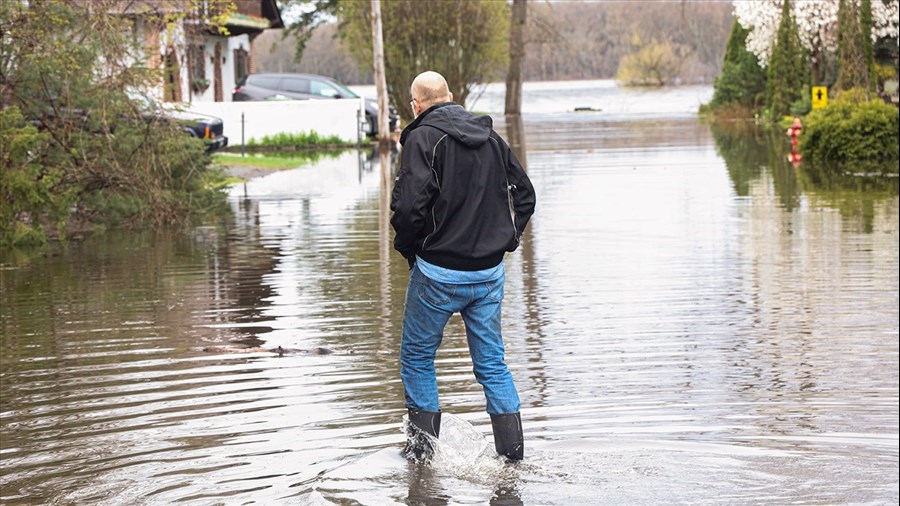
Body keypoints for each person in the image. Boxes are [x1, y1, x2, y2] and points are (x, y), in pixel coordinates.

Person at [390, 71, 536, 461]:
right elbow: (525, 196)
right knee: (492, 363)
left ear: (415, 105)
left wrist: (411, 250)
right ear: (452, 96)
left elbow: (408, 208)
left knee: (418, 359)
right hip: (489, 274)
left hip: (437, 272)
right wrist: (506, 240)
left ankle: (421, 460)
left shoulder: (422, 137)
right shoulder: (491, 138)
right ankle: (513, 460)